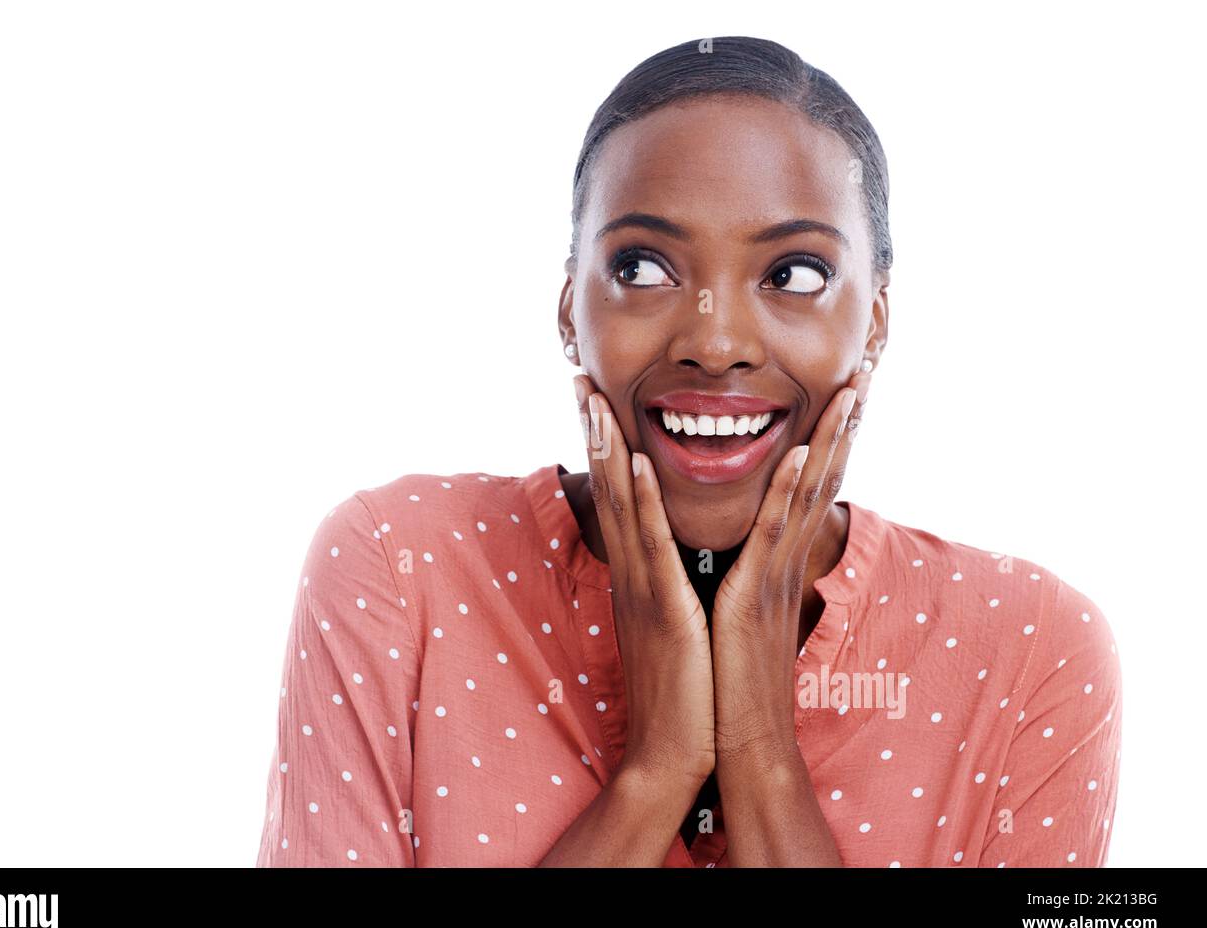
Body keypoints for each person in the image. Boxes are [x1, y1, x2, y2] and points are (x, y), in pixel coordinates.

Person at [255, 36, 1121, 867]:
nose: (715, 342)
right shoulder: (399, 567)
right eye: (641, 267)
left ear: (876, 324)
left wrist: (760, 752)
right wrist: (656, 769)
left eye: (794, 274)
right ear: (569, 310)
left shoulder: (1034, 651)